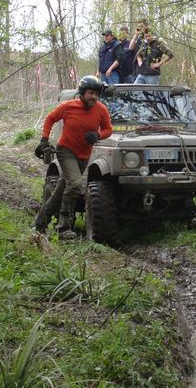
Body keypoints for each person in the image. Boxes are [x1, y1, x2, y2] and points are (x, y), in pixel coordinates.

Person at [33, 75, 113, 239]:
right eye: (91, 93)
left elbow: (108, 129)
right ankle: (64, 227)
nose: (94, 97)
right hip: (66, 151)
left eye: (97, 94)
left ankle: (39, 224)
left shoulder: (101, 109)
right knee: (76, 185)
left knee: (60, 191)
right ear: (83, 93)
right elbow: (50, 119)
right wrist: (44, 139)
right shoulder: (68, 106)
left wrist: (98, 135)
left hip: (84, 155)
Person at [129, 19, 174, 85]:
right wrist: (139, 60)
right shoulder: (144, 42)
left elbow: (170, 54)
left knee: (151, 93)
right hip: (142, 73)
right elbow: (138, 52)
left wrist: (159, 63)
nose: (147, 38)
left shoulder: (158, 43)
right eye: (146, 36)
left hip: (152, 74)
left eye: (149, 36)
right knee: (135, 90)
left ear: (153, 36)